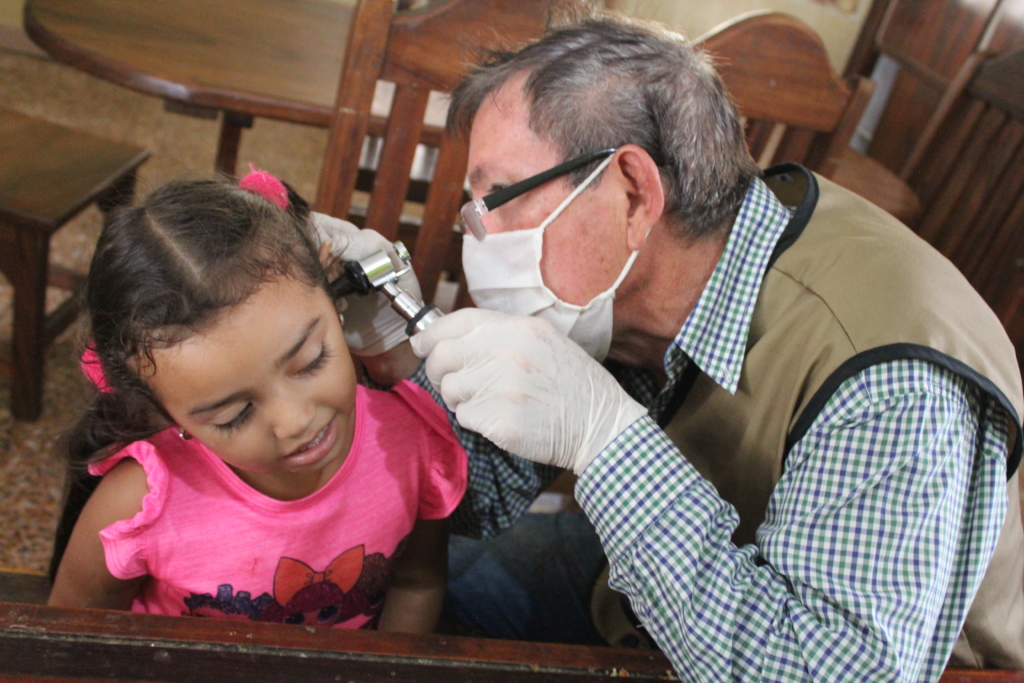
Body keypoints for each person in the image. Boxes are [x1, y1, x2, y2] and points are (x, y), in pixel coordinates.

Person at [323, 10, 1024, 682]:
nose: (478, 233)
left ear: (631, 193)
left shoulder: (890, 378)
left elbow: (821, 671)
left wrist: (607, 441)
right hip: (666, 583)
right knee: (396, 580)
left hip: (830, 653)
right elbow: (479, 493)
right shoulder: (631, 288)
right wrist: (397, 350)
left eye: (498, 196)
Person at [47, 172, 467, 634]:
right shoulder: (140, 505)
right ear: (166, 415)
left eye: (311, 361)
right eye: (234, 416)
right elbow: (72, 635)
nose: (295, 422)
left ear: (334, 297)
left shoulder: (410, 443)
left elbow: (418, 583)